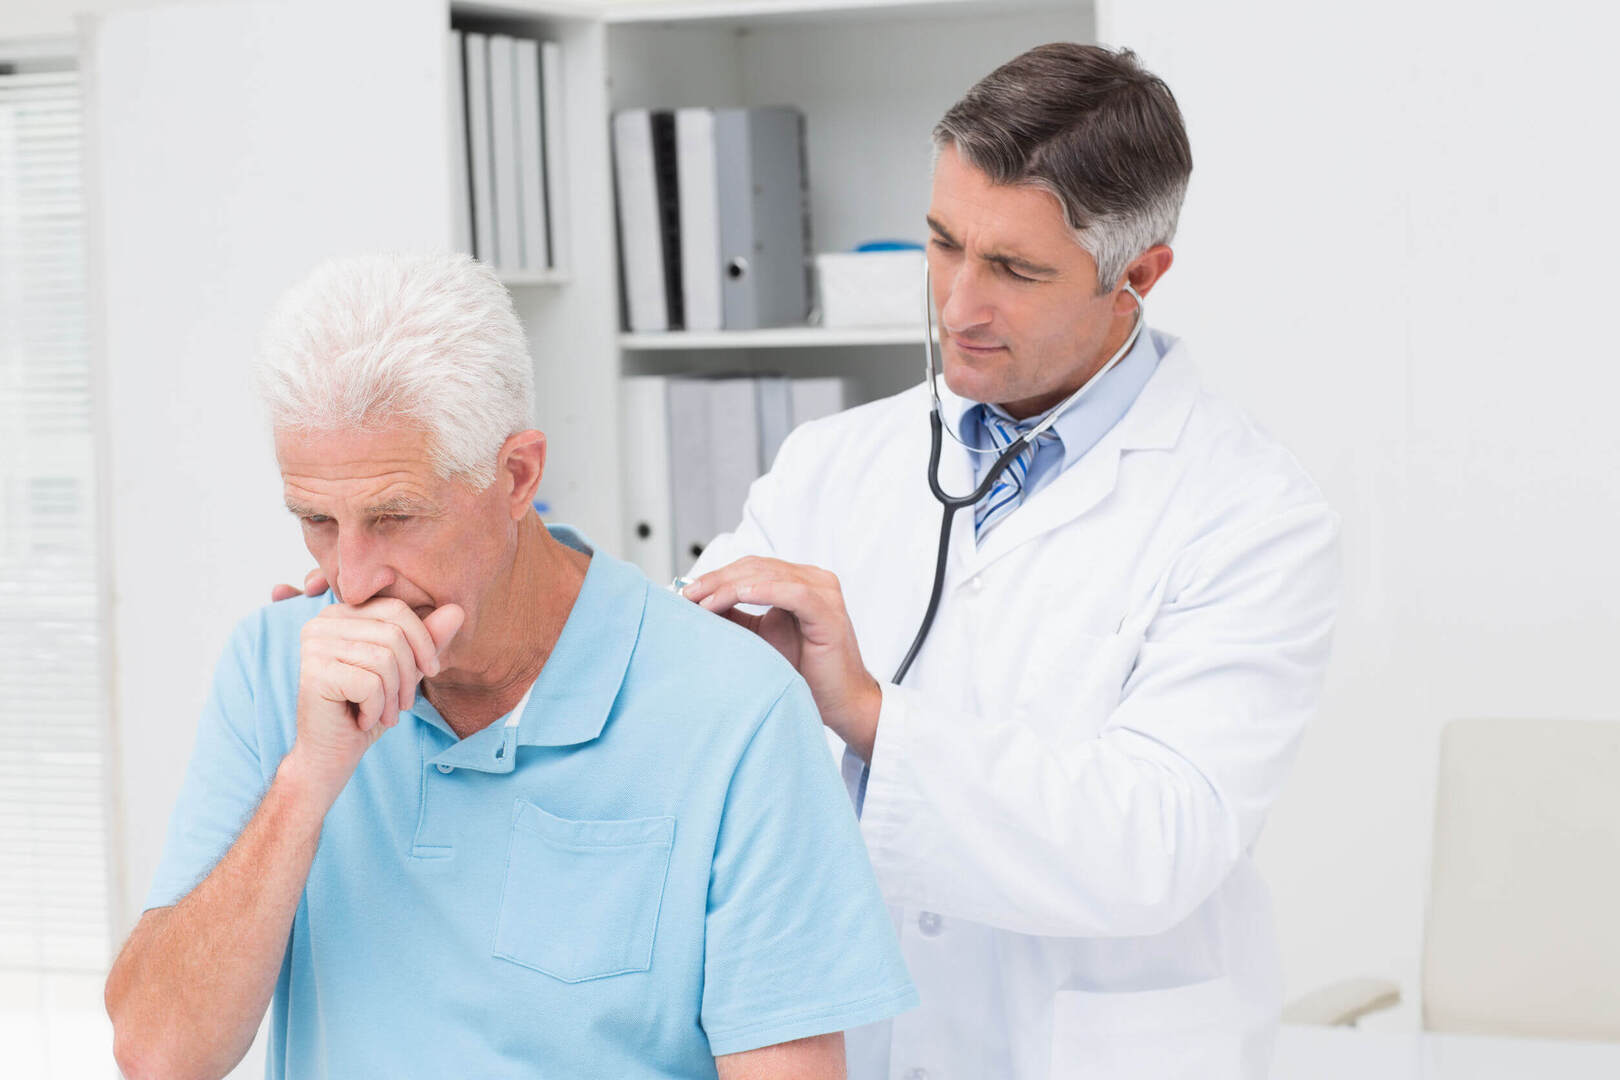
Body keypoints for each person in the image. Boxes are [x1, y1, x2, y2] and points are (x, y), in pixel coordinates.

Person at [273, 43, 1338, 1080]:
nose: (957, 302)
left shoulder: (1249, 513)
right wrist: (410, 589)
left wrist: (867, 712)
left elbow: (1160, 841)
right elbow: (661, 671)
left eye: (1013, 268)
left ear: (1138, 277)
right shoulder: (837, 461)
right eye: (941, 242)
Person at [105, 252, 916, 1080]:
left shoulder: (733, 706)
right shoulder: (275, 667)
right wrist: (307, 782)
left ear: (517, 475)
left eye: (393, 516)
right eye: (318, 519)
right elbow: (158, 1053)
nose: (350, 579)